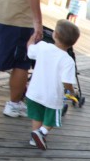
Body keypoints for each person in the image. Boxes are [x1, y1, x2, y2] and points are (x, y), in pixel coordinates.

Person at [26, 19, 80, 151]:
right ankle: (42, 132)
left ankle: (35, 138)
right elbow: (66, 82)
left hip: (34, 92)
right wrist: (72, 92)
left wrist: (31, 39)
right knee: (52, 117)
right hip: (52, 96)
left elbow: (30, 51)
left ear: (54, 35)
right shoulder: (68, 60)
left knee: (37, 115)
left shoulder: (43, 46)